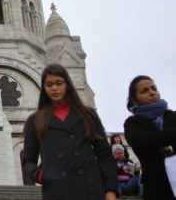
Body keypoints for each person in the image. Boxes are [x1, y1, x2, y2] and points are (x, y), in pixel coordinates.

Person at [22, 64, 118, 200]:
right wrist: (40, 175)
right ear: (44, 88)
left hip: (90, 188)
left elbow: (104, 155)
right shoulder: (35, 120)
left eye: (59, 83)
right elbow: (28, 160)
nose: (54, 88)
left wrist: (111, 189)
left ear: (67, 84)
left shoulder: (88, 114)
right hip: (57, 189)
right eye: (49, 85)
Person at [123, 75, 176, 199]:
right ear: (134, 99)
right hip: (156, 187)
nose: (152, 93)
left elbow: (151, 140)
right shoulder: (133, 123)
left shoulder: (172, 116)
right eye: (144, 91)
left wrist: (169, 147)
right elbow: (140, 140)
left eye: (154, 88)